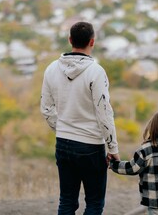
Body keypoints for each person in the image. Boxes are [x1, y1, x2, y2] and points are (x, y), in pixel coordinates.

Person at [40, 21, 120, 215]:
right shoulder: (96, 72)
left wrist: (63, 129)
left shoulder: (51, 69)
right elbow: (104, 114)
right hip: (91, 146)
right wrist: (113, 148)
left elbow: (46, 109)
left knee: (66, 201)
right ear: (92, 42)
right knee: (94, 203)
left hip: (63, 144)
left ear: (70, 40)